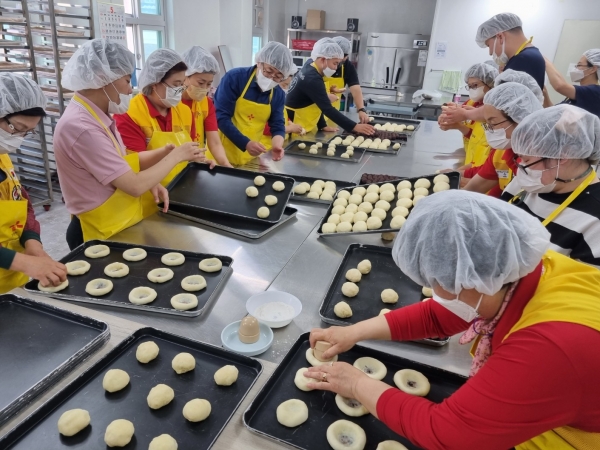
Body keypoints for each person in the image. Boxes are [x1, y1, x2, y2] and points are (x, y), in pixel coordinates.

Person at [305, 190, 600, 449]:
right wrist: (353, 332)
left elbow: (450, 434)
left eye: (434, 278)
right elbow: (439, 316)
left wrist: (357, 385)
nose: (434, 286)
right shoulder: (523, 269)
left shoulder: (549, 348)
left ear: (465, 279)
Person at [55, 39, 204, 249]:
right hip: (97, 229)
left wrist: (162, 153)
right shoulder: (82, 127)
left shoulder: (98, 116)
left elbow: (122, 162)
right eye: (126, 80)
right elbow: (133, 185)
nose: (129, 89)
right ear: (103, 78)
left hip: (116, 220)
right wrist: (176, 156)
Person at [501, 104, 600, 267]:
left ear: (562, 156)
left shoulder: (594, 220)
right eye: (519, 158)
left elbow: (583, 282)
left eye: (526, 160)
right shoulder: (527, 182)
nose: (521, 167)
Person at [0, 73, 66, 293]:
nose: (18, 139)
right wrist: (25, 263)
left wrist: (32, 243)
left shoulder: (2, 157)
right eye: (16, 128)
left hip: (11, 280)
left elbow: (20, 202)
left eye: (26, 132)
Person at [114, 48, 202, 186]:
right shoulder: (129, 115)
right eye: (175, 85)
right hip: (148, 191)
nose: (179, 91)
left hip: (182, 188)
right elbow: (135, 164)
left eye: (182, 85)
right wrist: (176, 155)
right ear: (154, 84)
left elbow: (191, 151)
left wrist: (201, 162)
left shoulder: (184, 111)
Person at [214, 41, 294, 166]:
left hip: (250, 158)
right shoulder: (235, 78)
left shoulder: (277, 93)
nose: (271, 78)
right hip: (220, 155)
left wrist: (277, 146)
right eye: (269, 71)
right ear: (259, 62)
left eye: (278, 76)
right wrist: (246, 143)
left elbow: (277, 124)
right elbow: (220, 117)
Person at [464, 82, 542, 197]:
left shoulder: (540, 161)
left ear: (519, 119)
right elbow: (477, 186)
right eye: (487, 124)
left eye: (493, 123)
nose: (490, 130)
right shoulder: (503, 152)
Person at [285, 38, 375, 136]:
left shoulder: (312, 68)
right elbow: (327, 108)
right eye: (335, 63)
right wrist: (355, 127)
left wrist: (322, 125)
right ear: (323, 59)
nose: (336, 68)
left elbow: (316, 101)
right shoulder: (312, 78)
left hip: (303, 122)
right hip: (295, 123)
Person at [439, 63, 498, 174]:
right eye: (469, 86)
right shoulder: (471, 103)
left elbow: (488, 158)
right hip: (472, 163)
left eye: (475, 85)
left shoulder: (495, 111)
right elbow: (475, 135)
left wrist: (458, 172)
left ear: (490, 83)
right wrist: (455, 123)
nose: (472, 90)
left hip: (482, 171)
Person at [180, 46, 232, 167]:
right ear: (185, 76)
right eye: (201, 83)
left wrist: (226, 164)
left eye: (209, 84)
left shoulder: (206, 103)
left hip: (196, 164)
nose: (204, 89)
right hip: (174, 165)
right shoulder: (172, 103)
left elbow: (214, 143)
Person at [475, 12, 545, 89]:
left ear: (500, 37)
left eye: (489, 45)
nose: (490, 52)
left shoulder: (522, 61)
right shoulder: (530, 55)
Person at [317, 36, 369, 126]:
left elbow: (355, 88)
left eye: (344, 56)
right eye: (335, 60)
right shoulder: (318, 65)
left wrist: (361, 109)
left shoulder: (348, 66)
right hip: (314, 112)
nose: (340, 59)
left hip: (333, 115)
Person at [543, 49, 600, 117]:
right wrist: (544, 93)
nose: (575, 69)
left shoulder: (595, 92)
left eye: (579, 65)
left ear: (593, 69)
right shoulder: (578, 94)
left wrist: (545, 61)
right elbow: (553, 113)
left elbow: (560, 86)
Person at [261, 67, 305, 148]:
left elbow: (282, 116)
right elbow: (266, 129)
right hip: (266, 147)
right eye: (284, 85)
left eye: (288, 85)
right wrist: (290, 128)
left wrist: (291, 123)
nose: (286, 88)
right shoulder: (267, 100)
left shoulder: (279, 99)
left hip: (280, 144)